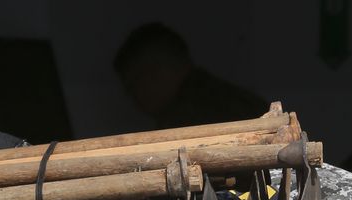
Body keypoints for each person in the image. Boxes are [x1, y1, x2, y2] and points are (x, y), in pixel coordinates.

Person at [113, 22, 269, 129]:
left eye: (134, 83)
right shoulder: (229, 99)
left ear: (156, 71)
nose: (132, 96)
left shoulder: (185, 117)